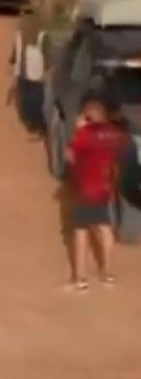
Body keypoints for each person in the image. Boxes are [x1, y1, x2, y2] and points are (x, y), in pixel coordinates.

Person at [65, 96, 121, 291]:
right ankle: (107, 271)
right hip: (103, 189)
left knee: (81, 231)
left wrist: (77, 130)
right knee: (105, 227)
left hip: (83, 190)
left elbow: (69, 156)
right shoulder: (113, 134)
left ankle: (81, 276)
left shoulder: (84, 134)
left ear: (87, 117)